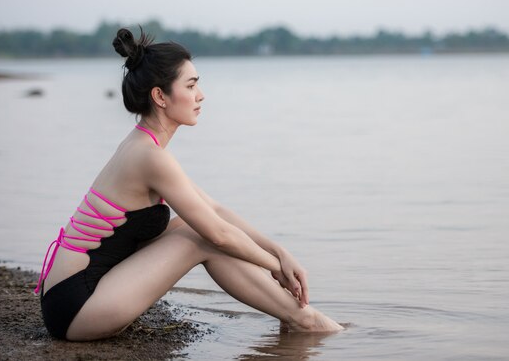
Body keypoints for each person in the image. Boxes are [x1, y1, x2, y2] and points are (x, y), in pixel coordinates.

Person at [34, 27, 343, 341]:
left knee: (194, 226)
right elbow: (218, 235)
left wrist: (281, 253)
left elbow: (215, 210)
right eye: (191, 85)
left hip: (77, 293)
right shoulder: (150, 156)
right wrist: (275, 268)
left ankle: (297, 317)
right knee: (203, 237)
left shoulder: (146, 146)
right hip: (76, 306)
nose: (201, 95)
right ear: (160, 96)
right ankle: (306, 321)